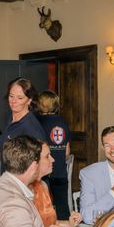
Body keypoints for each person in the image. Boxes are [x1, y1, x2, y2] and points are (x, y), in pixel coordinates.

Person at [79, 126, 114, 224]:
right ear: (103, 148)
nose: (112, 150)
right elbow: (87, 216)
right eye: (107, 145)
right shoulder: (89, 174)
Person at [35, 90, 71, 219]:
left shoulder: (37, 122)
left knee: (41, 207)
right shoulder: (63, 122)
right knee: (62, 207)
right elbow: (67, 152)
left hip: (43, 173)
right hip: (60, 171)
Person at [0, 78, 45, 159]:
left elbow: (40, 160)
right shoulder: (11, 119)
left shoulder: (31, 127)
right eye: (11, 96)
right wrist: (2, 151)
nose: (13, 101)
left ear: (29, 100)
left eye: (20, 98)